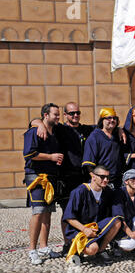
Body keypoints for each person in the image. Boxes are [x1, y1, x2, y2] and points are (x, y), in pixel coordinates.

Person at [31, 102, 95, 255]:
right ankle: (68, 244)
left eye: (77, 113)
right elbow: (34, 121)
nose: (75, 116)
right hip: (66, 178)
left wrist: (120, 130)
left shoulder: (86, 129)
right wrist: (39, 124)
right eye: (71, 113)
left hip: (83, 177)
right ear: (65, 115)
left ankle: (83, 241)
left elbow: (103, 126)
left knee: (84, 212)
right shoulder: (60, 128)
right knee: (68, 212)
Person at [23, 103, 64, 265]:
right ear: (45, 115)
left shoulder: (54, 132)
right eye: (55, 114)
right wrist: (51, 157)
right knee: (38, 212)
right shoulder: (34, 131)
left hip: (51, 177)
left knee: (47, 213)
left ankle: (43, 247)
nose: (58, 117)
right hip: (36, 177)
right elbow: (29, 154)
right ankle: (32, 250)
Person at [63, 165, 123, 265]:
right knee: (92, 249)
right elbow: (69, 217)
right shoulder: (79, 191)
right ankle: (76, 249)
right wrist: (84, 229)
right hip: (79, 230)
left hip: (95, 227)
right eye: (102, 177)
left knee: (117, 222)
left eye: (107, 177)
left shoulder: (107, 192)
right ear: (93, 176)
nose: (105, 180)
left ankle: (102, 250)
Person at [82, 108, 124, 189]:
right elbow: (89, 165)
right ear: (102, 120)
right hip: (101, 184)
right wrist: (97, 181)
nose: (112, 120)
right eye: (109, 118)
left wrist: (120, 129)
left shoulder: (116, 137)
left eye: (114, 118)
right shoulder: (94, 137)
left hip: (116, 182)